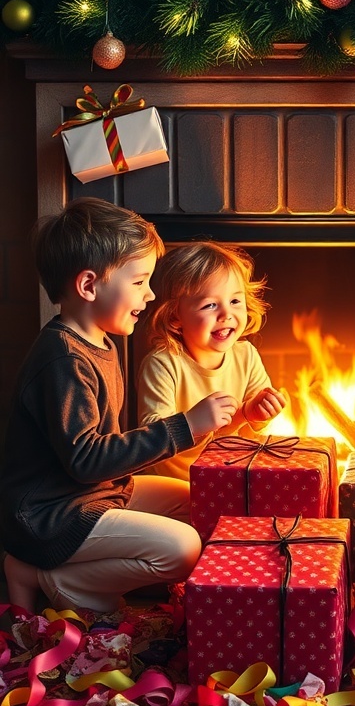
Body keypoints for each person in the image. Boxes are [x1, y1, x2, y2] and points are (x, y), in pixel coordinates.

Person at [0, 197, 239, 614]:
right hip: (49, 515)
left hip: (93, 494)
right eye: (140, 281)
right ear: (89, 286)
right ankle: (47, 576)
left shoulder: (98, 343)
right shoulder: (64, 360)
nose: (150, 295)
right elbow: (87, 460)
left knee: (198, 501)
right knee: (183, 548)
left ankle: (72, 575)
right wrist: (185, 426)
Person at [137, 241, 286, 480]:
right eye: (210, 305)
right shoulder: (163, 364)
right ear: (175, 316)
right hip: (175, 482)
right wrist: (193, 422)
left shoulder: (245, 355)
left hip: (229, 479)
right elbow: (151, 439)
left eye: (235, 301)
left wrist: (259, 412)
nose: (226, 314)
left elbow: (255, 431)